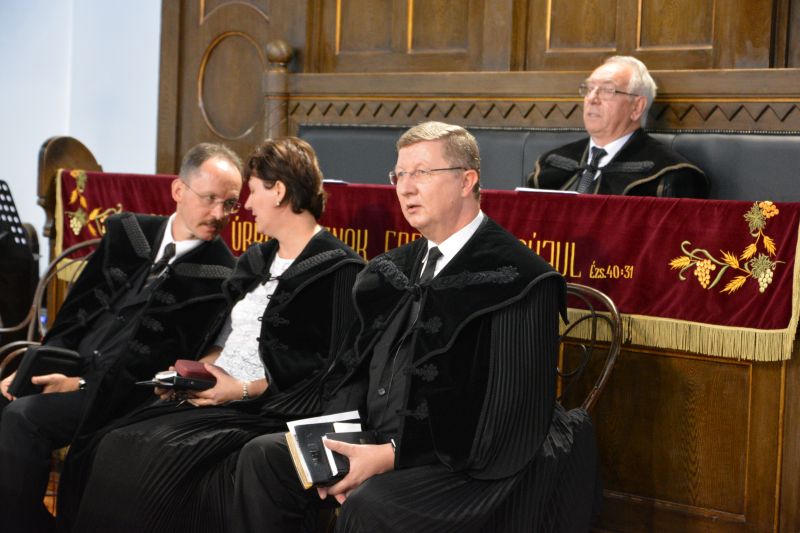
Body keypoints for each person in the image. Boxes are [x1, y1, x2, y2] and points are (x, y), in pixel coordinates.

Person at [231, 122, 598, 532]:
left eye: (421, 173)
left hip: (459, 464)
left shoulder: (519, 280)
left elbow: (507, 413)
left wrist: (389, 456)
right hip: (373, 439)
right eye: (399, 174)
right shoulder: (391, 270)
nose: (405, 188)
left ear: (466, 181)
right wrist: (338, 444)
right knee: (263, 458)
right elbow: (352, 370)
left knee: (370, 505)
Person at [60, 137, 365, 533]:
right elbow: (222, 343)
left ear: (278, 191)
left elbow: (332, 376)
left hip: (269, 409)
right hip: (219, 395)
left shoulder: (341, 270)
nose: (247, 206)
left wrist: (240, 390)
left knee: (153, 456)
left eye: (252, 192)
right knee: (112, 440)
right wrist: (194, 375)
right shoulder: (258, 259)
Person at [0, 142, 242, 533]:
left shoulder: (221, 277)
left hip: (121, 395)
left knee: (24, 418)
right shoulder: (128, 233)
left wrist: (80, 384)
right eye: (210, 198)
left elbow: (160, 366)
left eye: (229, 204)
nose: (219, 214)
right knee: (7, 396)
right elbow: (74, 314)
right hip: (70, 369)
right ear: (179, 190)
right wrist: (37, 367)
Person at [528, 55, 709, 197]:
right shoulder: (550, 164)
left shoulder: (668, 177)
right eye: (589, 89)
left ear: (637, 107)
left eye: (608, 90)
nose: (592, 99)